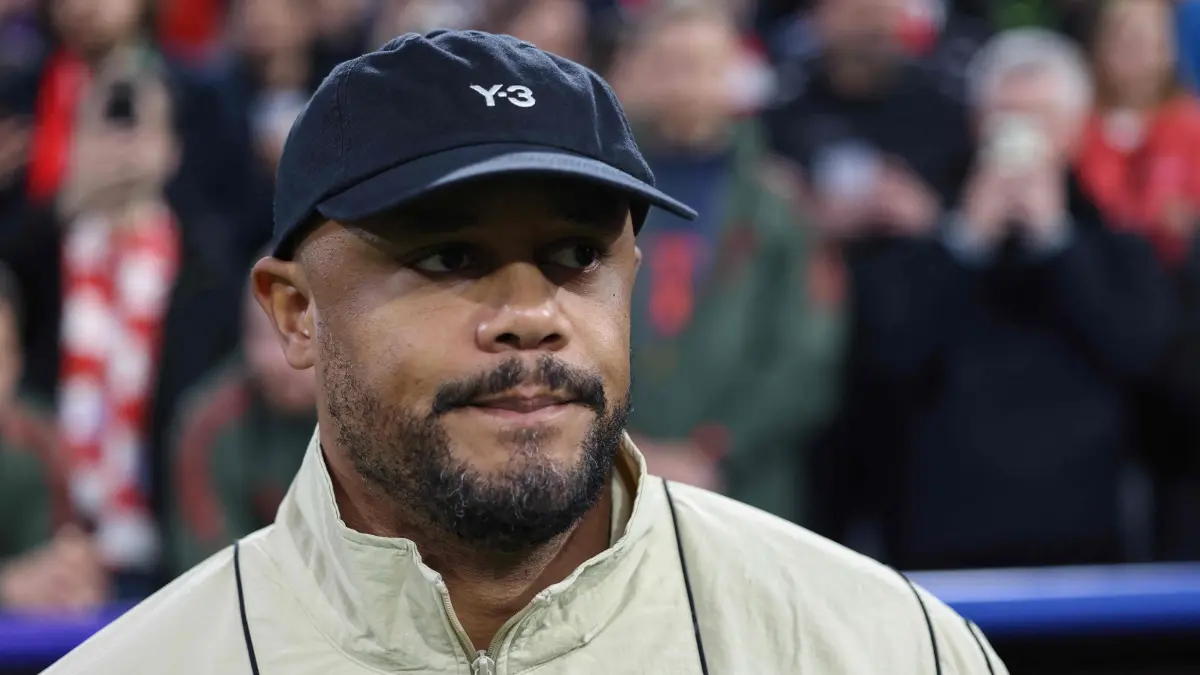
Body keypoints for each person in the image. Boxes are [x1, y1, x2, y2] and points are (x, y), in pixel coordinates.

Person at [44, 30, 1006, 674]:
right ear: (295, 313)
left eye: (577, 255)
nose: (531, 313)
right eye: (448, 256)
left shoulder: (882, 648)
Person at [843, 29, 1174, 569]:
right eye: (1007, 118)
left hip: (1084, 543)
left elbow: (1139, 358)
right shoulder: (914, 253)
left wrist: (1055, 242)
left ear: (1073, 132)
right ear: (977, 125)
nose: (1021, 138)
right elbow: (889, 360)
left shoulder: (1119, 252)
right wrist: (966, 240)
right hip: (940, 539)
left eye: (1040, 119)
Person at [608, 1, 844, 520]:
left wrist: (718, 447)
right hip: (607, 479)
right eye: (667, 64)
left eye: (699, 65)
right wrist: (619, 443)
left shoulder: (778, 202)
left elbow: (807, 354)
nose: (682, 83)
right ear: (637, 71)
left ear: (732, 74)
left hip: (746, 487)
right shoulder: (599, 198)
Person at [168, 284, 317, 575]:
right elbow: (210, 566)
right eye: (264, 335)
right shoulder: (207, 425)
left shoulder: (370, 414)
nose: (280, 360)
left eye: (303, 333)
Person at [0, 262, 110, 612]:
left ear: (17, 361)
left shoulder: (39, 445)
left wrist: (71, 580)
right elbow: (17, 587)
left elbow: (64, 574)